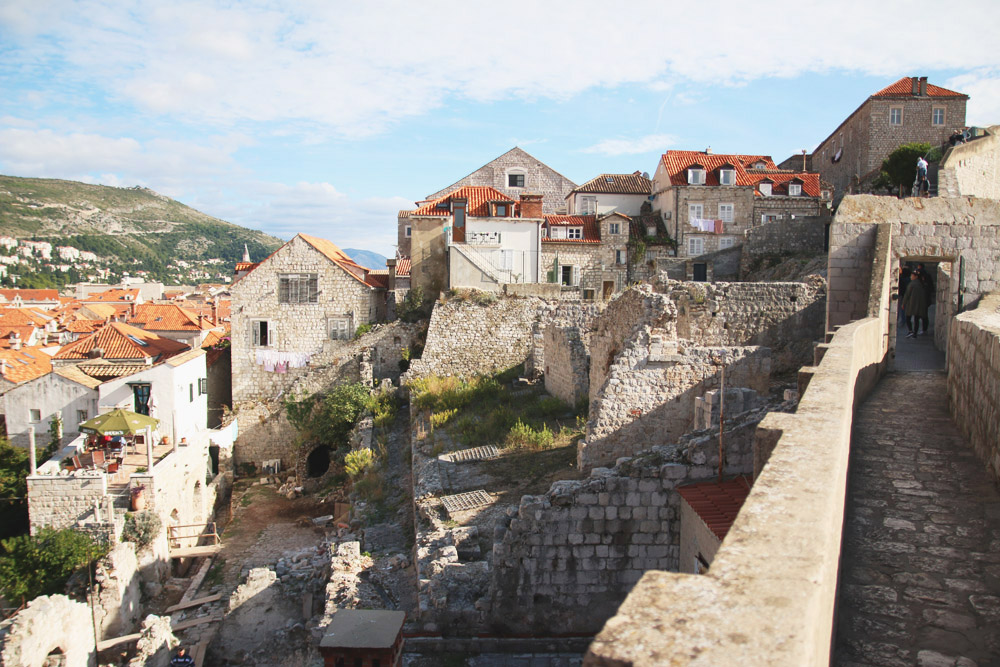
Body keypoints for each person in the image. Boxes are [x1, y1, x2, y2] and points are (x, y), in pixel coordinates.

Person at [902, 269, 929, 338]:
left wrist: (903, 303)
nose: (911, 276)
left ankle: (910, 330)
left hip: (911, 304)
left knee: (908, 317)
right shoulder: (923, 284)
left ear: (915, 276)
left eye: (912, 275)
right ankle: (915, 333)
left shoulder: (912, 284)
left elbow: (907, 295)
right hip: (920, 305)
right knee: (916, 319)